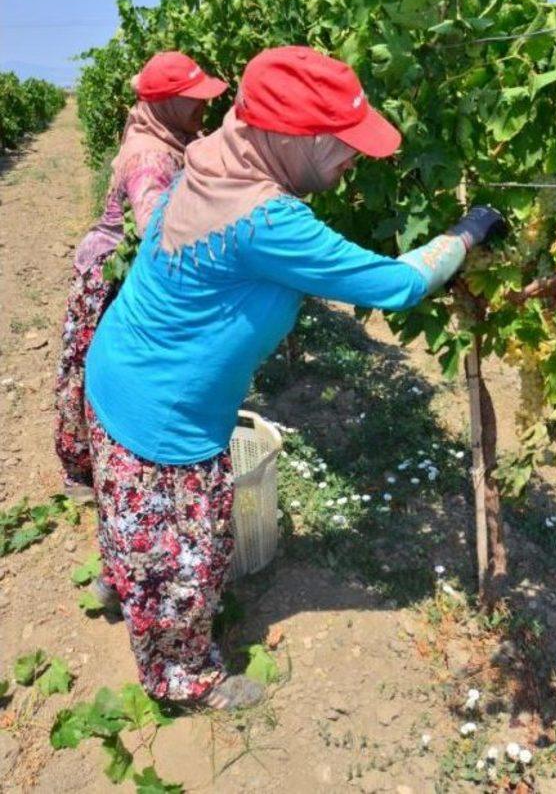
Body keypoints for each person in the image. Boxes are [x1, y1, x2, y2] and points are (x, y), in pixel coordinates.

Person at [83, 46, 504, 710]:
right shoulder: (266, 220)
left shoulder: (211, 160)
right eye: (342, 143)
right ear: (290, 136)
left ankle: (124, 579)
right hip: (160, 415)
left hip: (117, 378)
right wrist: (469, 233)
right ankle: (184, 679)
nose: (355, 157)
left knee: (140, 531)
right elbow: (396, 285)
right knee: (189, 562)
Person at [54, 51, 227, 503]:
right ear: (167, 103)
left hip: (135, 272)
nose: (203, 107)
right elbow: (159, 229)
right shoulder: (150, 155)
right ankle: (85, 471)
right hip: (113, 276)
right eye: (194, 99)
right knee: (99, 370)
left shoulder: (173, 135)